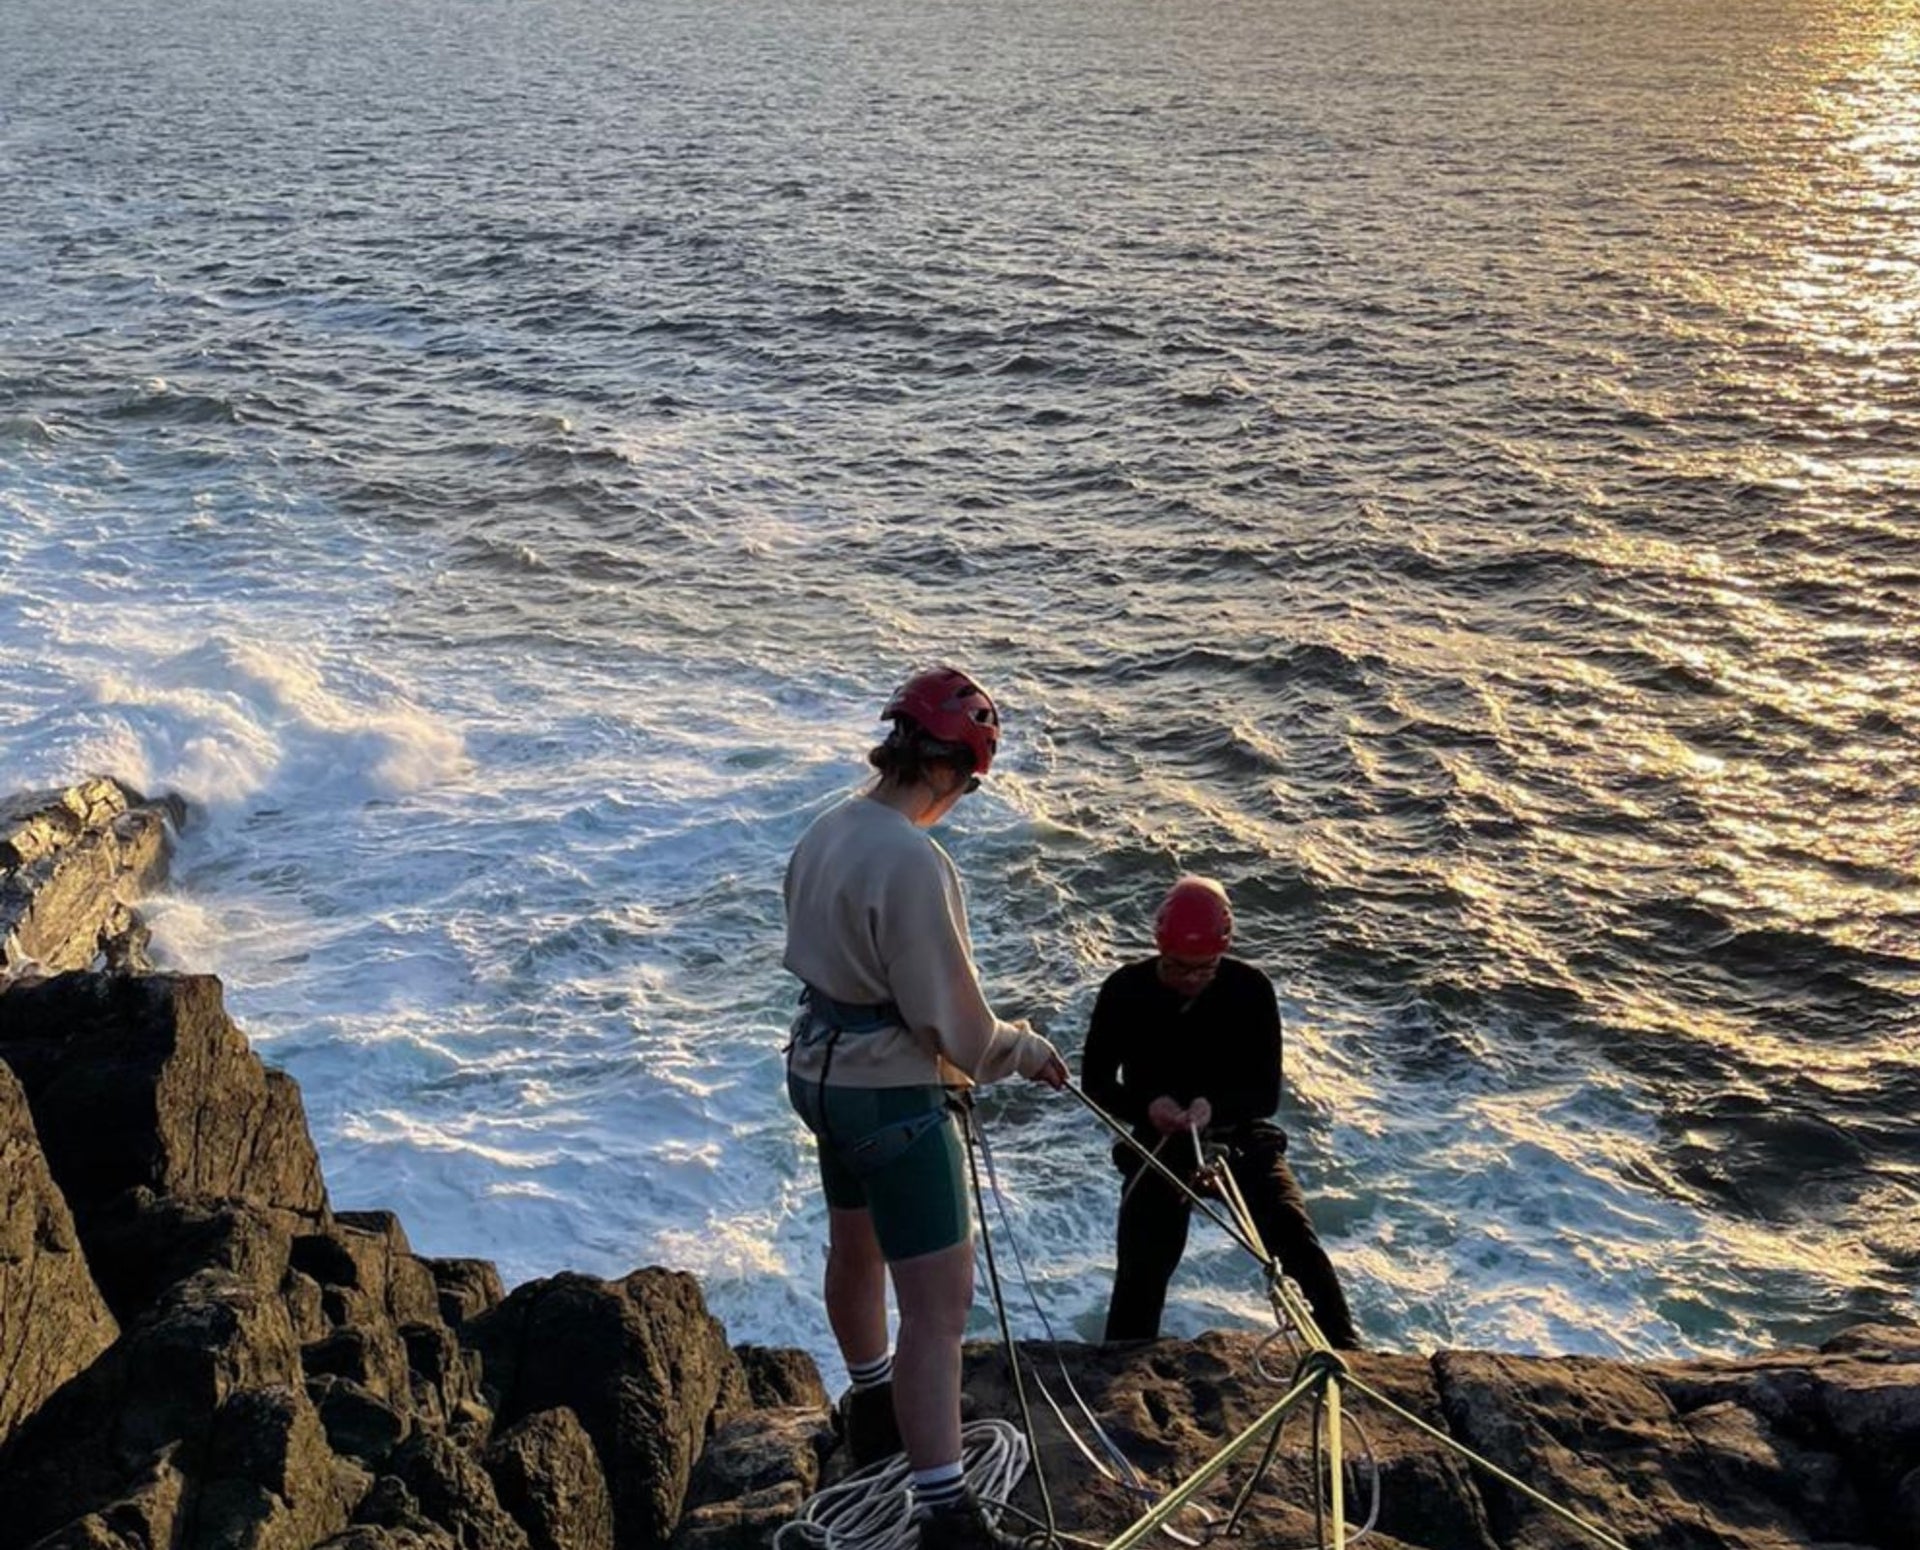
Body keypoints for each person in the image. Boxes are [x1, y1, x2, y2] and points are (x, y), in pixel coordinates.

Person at [783, 665, 1068, 1550]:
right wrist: (1026, 1050)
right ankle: (945, 1510)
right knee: (940, 1308)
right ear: (951, 769)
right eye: (970, 784)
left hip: (818, 1075)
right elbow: (958, 1030)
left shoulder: (831, 825)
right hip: (891, 1097)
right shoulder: (913, 860)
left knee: (855, 1249)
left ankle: (874, 1405)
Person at [1080, 875, 1361, 1349]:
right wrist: (1148, 1107)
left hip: (1238, 1133)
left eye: (1204, 968)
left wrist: (1214, 1107)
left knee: (1292, 1234)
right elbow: (1097, 1083)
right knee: (1143, 1259)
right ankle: (1121, 1357)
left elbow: (1264, 1094)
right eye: (1177, 967)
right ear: (1159, 949)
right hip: (1159, 1139)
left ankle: (1344, 1352)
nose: (1191, 978)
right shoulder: (1124, 990)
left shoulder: (1251, 990)